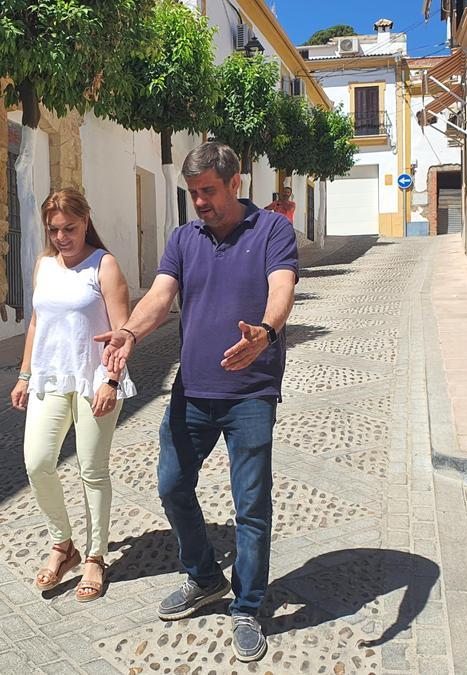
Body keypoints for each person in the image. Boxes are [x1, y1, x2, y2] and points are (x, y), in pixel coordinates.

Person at [95, 142, 298, 662]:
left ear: (236, 183)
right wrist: (130, 333)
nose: (200, 203)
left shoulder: (273, 230)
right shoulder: (184, 238)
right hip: (192, 391)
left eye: (209, 191)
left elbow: (282, 289)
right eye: (193, 194)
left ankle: (248, 606)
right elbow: (160, 296)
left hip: (251, 393)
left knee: (251, 505)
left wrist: (267, 333)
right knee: (171, 485)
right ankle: (205, 576)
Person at [10, 188, 136, 602]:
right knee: (38, 462)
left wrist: (112, 381)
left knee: (91, 470)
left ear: (85, 222)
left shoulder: (105, 265)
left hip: (94, 379)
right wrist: (25, 374)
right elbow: (36, 324)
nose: (62, 237)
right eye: (54, 230)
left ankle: (95, 557)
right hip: (50, 378)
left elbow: (122, 334)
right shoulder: (44, 265)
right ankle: (63, 545)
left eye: (70, 228)